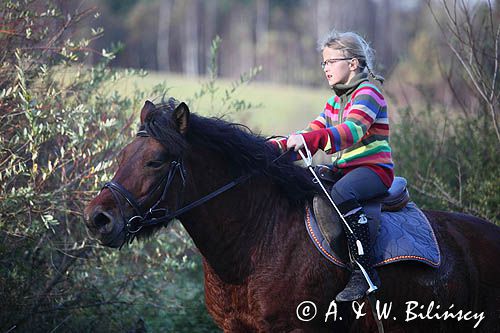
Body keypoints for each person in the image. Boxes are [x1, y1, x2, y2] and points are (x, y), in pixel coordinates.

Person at [272, 30, 394, 302]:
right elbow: (309, 135)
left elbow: (352, 130)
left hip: (373, 170)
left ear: (352, 63)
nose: (325, 68)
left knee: (341, 195)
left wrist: (306, 139)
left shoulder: (369, 92)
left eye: (330, 61)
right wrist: (269, 150)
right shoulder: (334, 102)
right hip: (345, 170)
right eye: (323, 63)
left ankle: (364, 271)